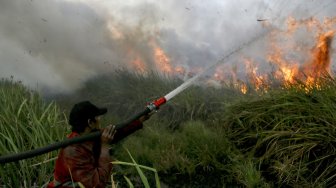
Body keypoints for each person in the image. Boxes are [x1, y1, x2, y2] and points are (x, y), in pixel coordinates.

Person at [47, 101, 148, 188]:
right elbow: (97, 184)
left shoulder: (87, 134)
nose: (100, 118)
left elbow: (116, 133)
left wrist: (141, 119)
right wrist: (105, 146)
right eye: (97, 117)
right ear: (90, 122)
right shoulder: (73, 151)